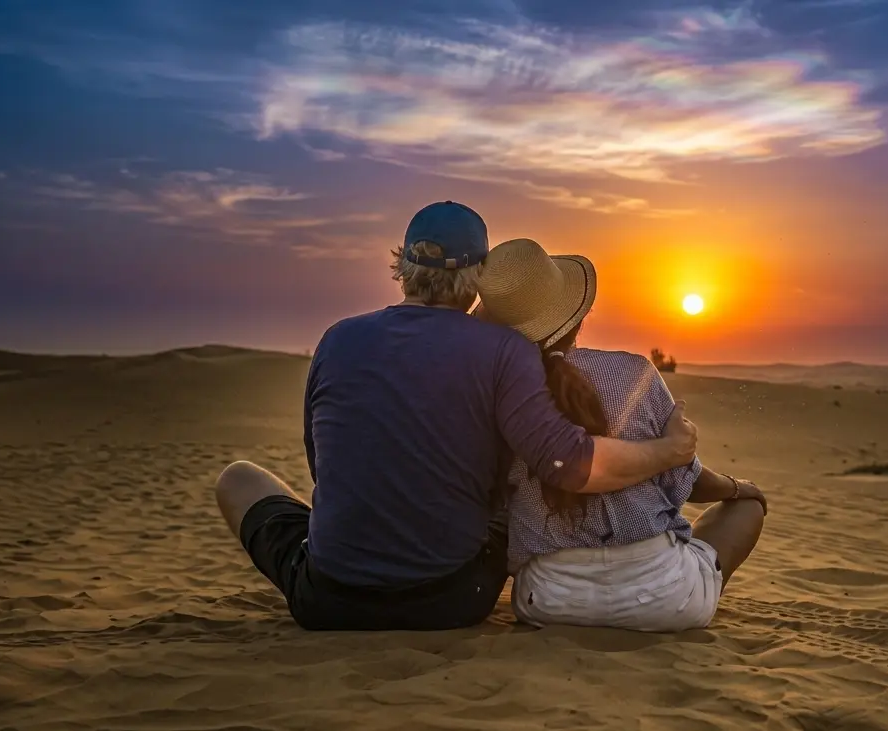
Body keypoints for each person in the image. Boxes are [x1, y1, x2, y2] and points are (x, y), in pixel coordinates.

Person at [213, 202, 700, 631]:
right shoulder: (504, 349)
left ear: (402, 265)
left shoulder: (337, 338)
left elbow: (321, 466)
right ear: (478, 277)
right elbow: (565, 464)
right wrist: (668, 452)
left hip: (330, 601)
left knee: (239, 479)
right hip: (452, 600)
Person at [475, 238, 766, 632]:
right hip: (667, 599)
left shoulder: (494, 391)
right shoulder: (635, 374)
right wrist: (738, 488)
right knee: (747, 507)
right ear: (576, 318)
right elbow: (690, 481)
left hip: (546, 601)